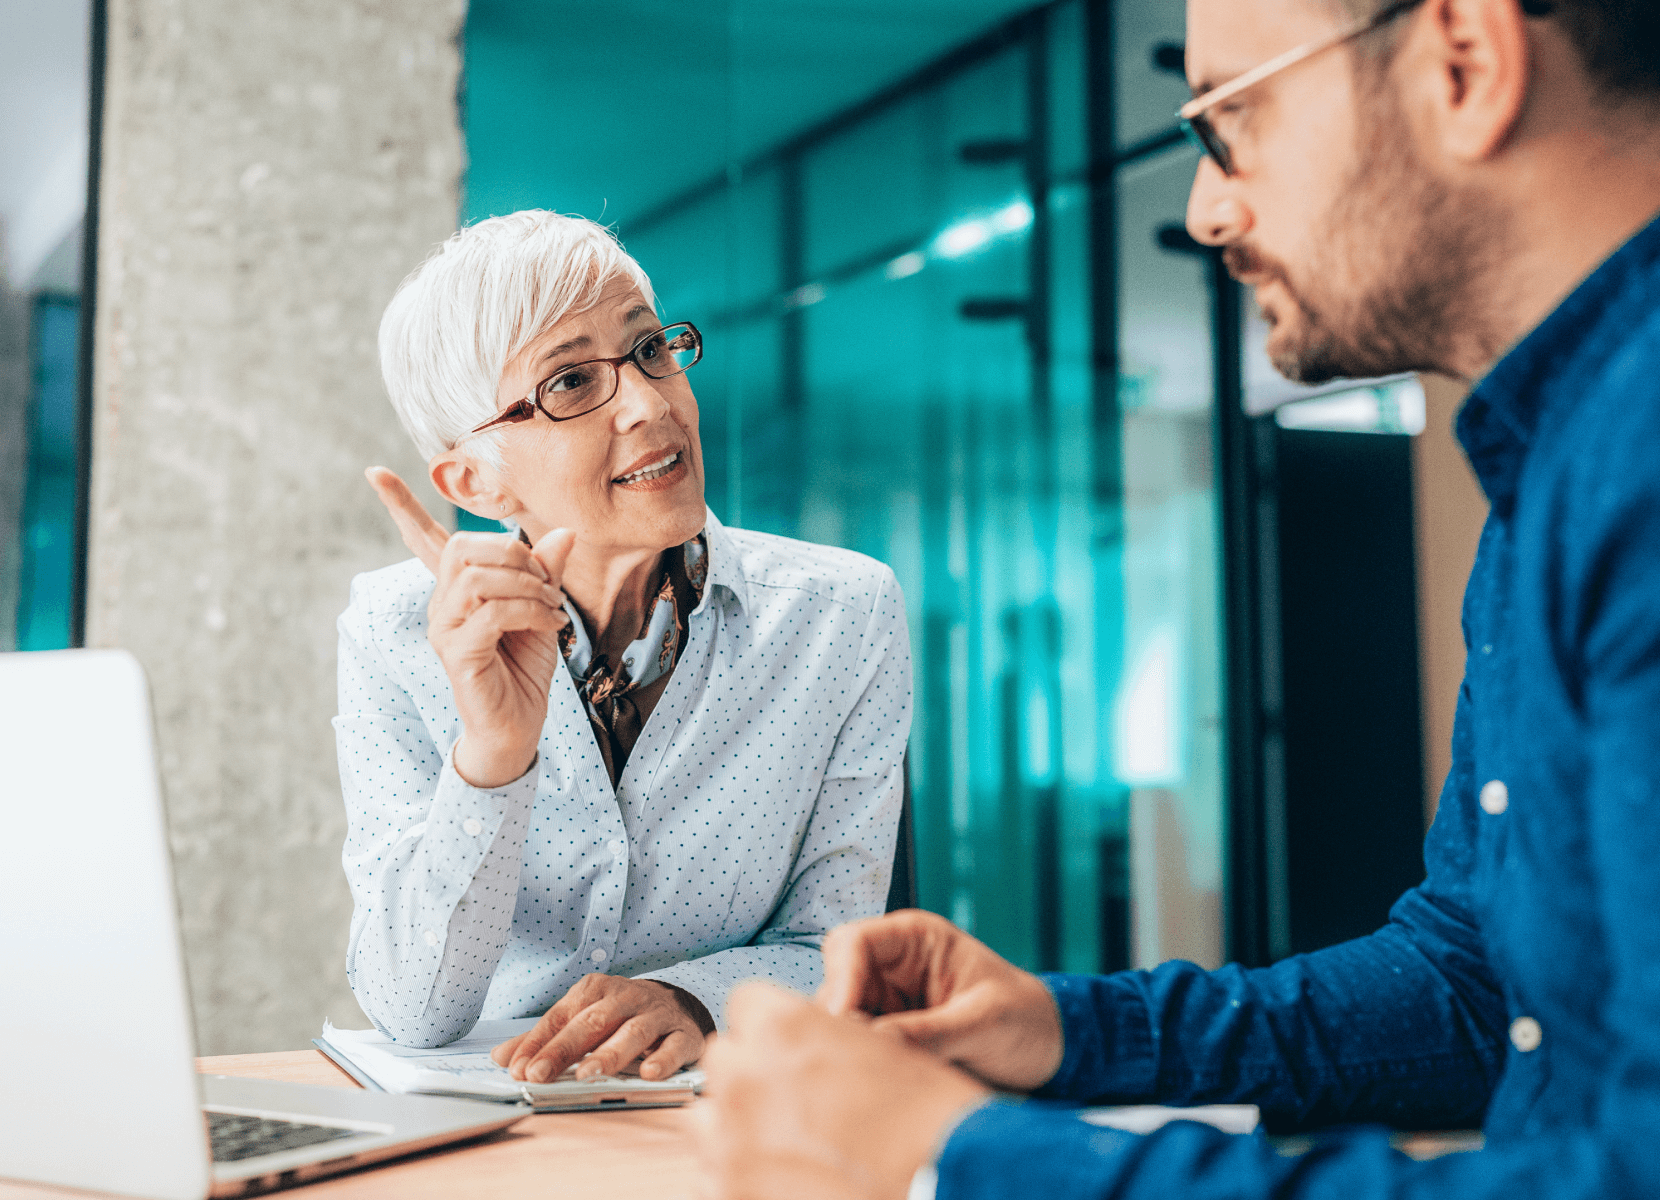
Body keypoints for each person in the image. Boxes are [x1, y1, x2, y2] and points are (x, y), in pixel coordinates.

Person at [696, 0, 1660, 1194]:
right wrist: (1065, 1030)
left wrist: (955, 1159)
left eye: (1230, 119)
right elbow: (1475, 984)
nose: (1205, 209)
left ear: (1464, 62)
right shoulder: (1561, 466)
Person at [335, 211, 911, 1087]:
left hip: (727, 1119)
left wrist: (696, 999)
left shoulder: (842, 614)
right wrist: (494, 754)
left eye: (650, 351)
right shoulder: (394, 631)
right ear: (473, 480)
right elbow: (412, 1008)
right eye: (570, 383)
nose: (650, 405)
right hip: (487, 1134)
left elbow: (844, 947)